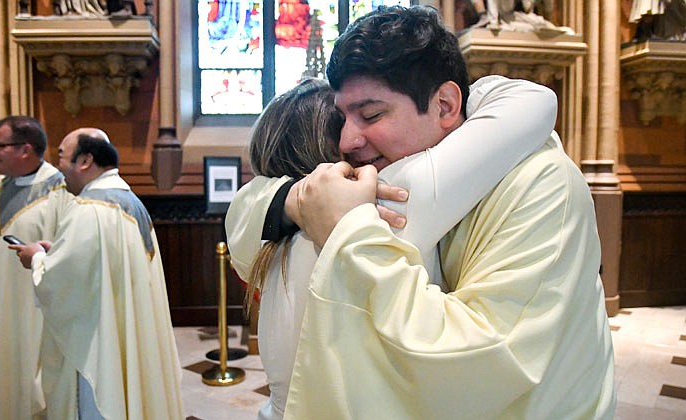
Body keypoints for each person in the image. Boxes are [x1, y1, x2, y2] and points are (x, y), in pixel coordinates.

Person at [228, 5, 616, 419]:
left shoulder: (542, 184)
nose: (345, 140)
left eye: (371, 114)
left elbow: (484, 360)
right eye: (342, 117)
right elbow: (249, 208)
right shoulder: (389, 177)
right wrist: (296, 199)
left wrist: (351, 233)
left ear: (447, 105)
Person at [11, 128, 184, 419]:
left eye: (62, 157)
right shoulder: (131, 202)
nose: (59, 168)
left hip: (101, 343)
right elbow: (103, 263)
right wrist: (58, 250)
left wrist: (37, 258)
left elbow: (60, 282)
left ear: (85, 160)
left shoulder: (87, 209)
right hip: (126, 329)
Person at [0, 115, 72, 420]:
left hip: (34, 309)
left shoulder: (59, 190)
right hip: (0, 302)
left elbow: (67, 252)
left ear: (25, 149)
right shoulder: (4, 186)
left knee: (30, 374)